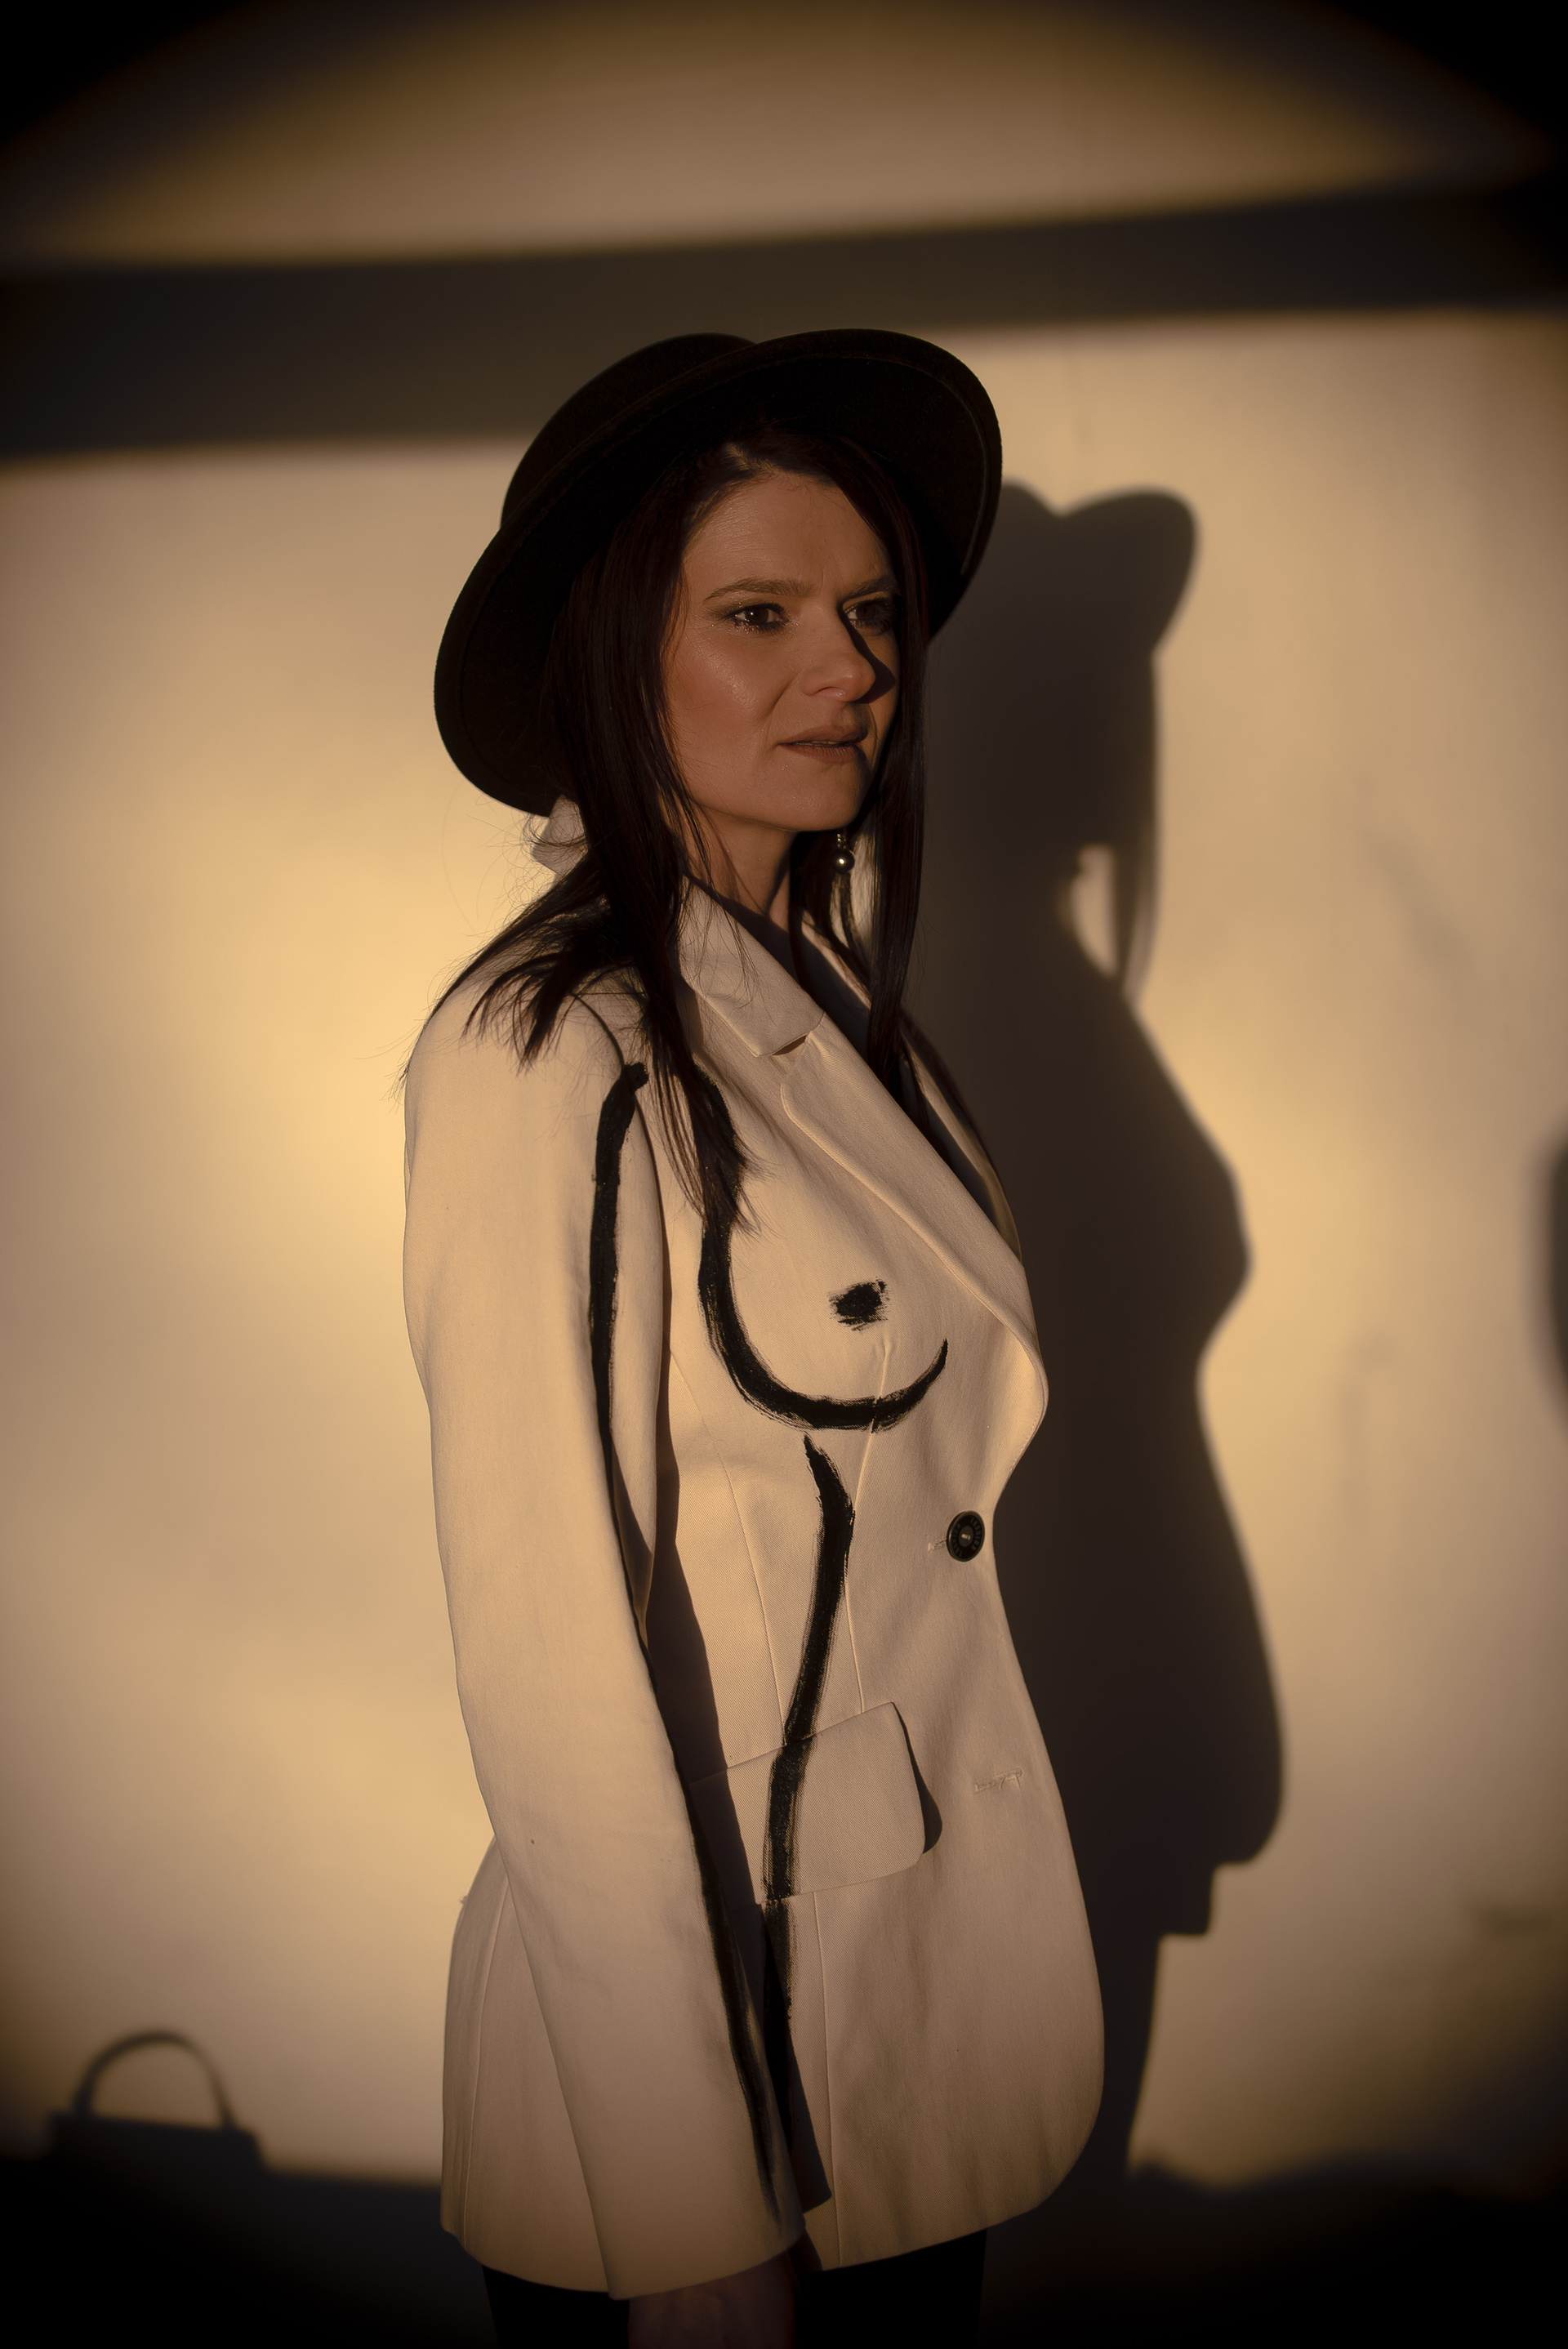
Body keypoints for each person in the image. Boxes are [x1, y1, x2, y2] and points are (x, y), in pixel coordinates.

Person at [402, 332, 1102, 2347]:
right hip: (708, 2084)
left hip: (910, 2018)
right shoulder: (554, 1050)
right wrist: (687, 2211)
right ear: (614, 657)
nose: (850, 667)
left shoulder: (832, 1019)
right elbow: (548, 1653)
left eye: (871, 612)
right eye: (760, 614)